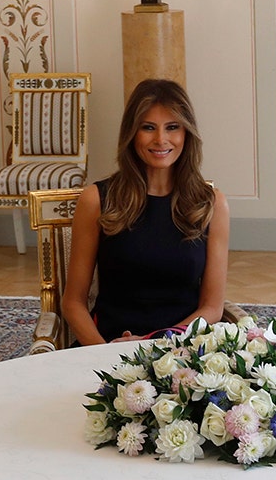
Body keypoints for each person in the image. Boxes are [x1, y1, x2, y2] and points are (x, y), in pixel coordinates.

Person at [62, 78, 231, 345]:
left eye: (172, 127)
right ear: (132, 133)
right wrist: (103, 354)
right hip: (107, 346)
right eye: (148, 128)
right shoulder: (96, 200)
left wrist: (157, 344)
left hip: (181, 350)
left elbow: (212, 308)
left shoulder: (211, 204)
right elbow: (72, 303)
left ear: (187, 133)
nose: (161, 139)